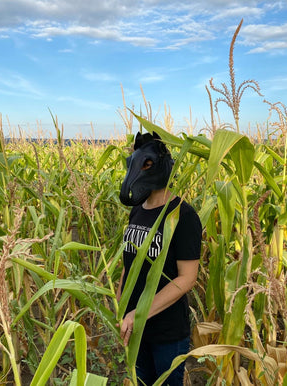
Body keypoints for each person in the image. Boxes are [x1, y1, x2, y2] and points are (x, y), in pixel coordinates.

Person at [117, 132, 202, 386]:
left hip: (167, 332)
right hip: (135, 329)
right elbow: (129, 263)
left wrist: (138, 314)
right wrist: (122, 304)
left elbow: (187, 279)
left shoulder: (182, 215)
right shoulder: (136, 211)